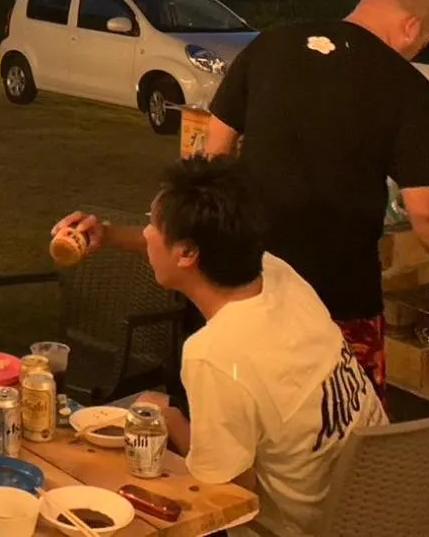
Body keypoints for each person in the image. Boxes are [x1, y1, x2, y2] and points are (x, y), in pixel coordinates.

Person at [57, 0, 429, 394]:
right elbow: (427, 209)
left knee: (239, 418)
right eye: (420, 45)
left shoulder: (269, 45)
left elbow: (211, 159)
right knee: (340, 423)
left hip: (244, 283)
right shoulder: (406, 85)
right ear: (411, 27)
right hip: (336, 297)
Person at [136, 159, 386, 537]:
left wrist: (168, 418)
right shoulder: (279, 275)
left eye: (152, 224)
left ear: (187, 253)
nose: (144, 234)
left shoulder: (215, 353)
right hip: (387, 505)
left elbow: (233, 492)